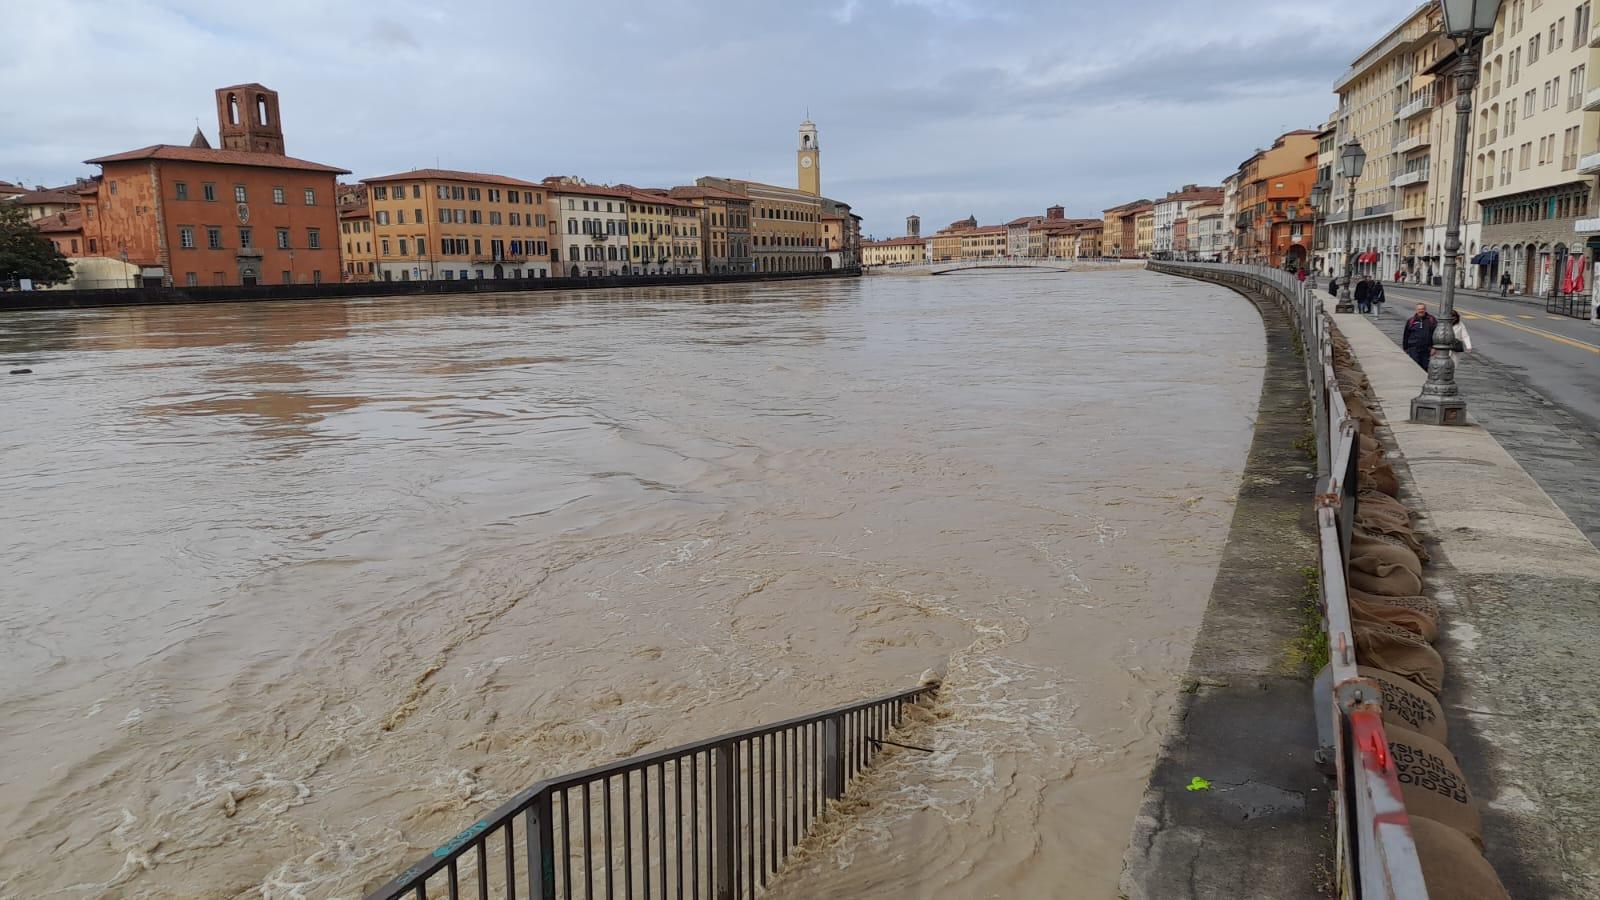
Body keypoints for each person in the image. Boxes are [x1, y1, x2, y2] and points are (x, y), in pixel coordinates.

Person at [1402, 303, 1438, 371]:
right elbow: (1406, 335)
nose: (1421, 311)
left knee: (1425, 366)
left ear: (1425, 310)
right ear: (1416, 310)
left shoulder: (1431, 320)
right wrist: (1405, 348)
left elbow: (1436, 334)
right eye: (1419, 309)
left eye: (1422, 309)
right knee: (1415, 366)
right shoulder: (1411, 321)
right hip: (1413, 348)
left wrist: (1434, 347)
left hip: (1426, 349)